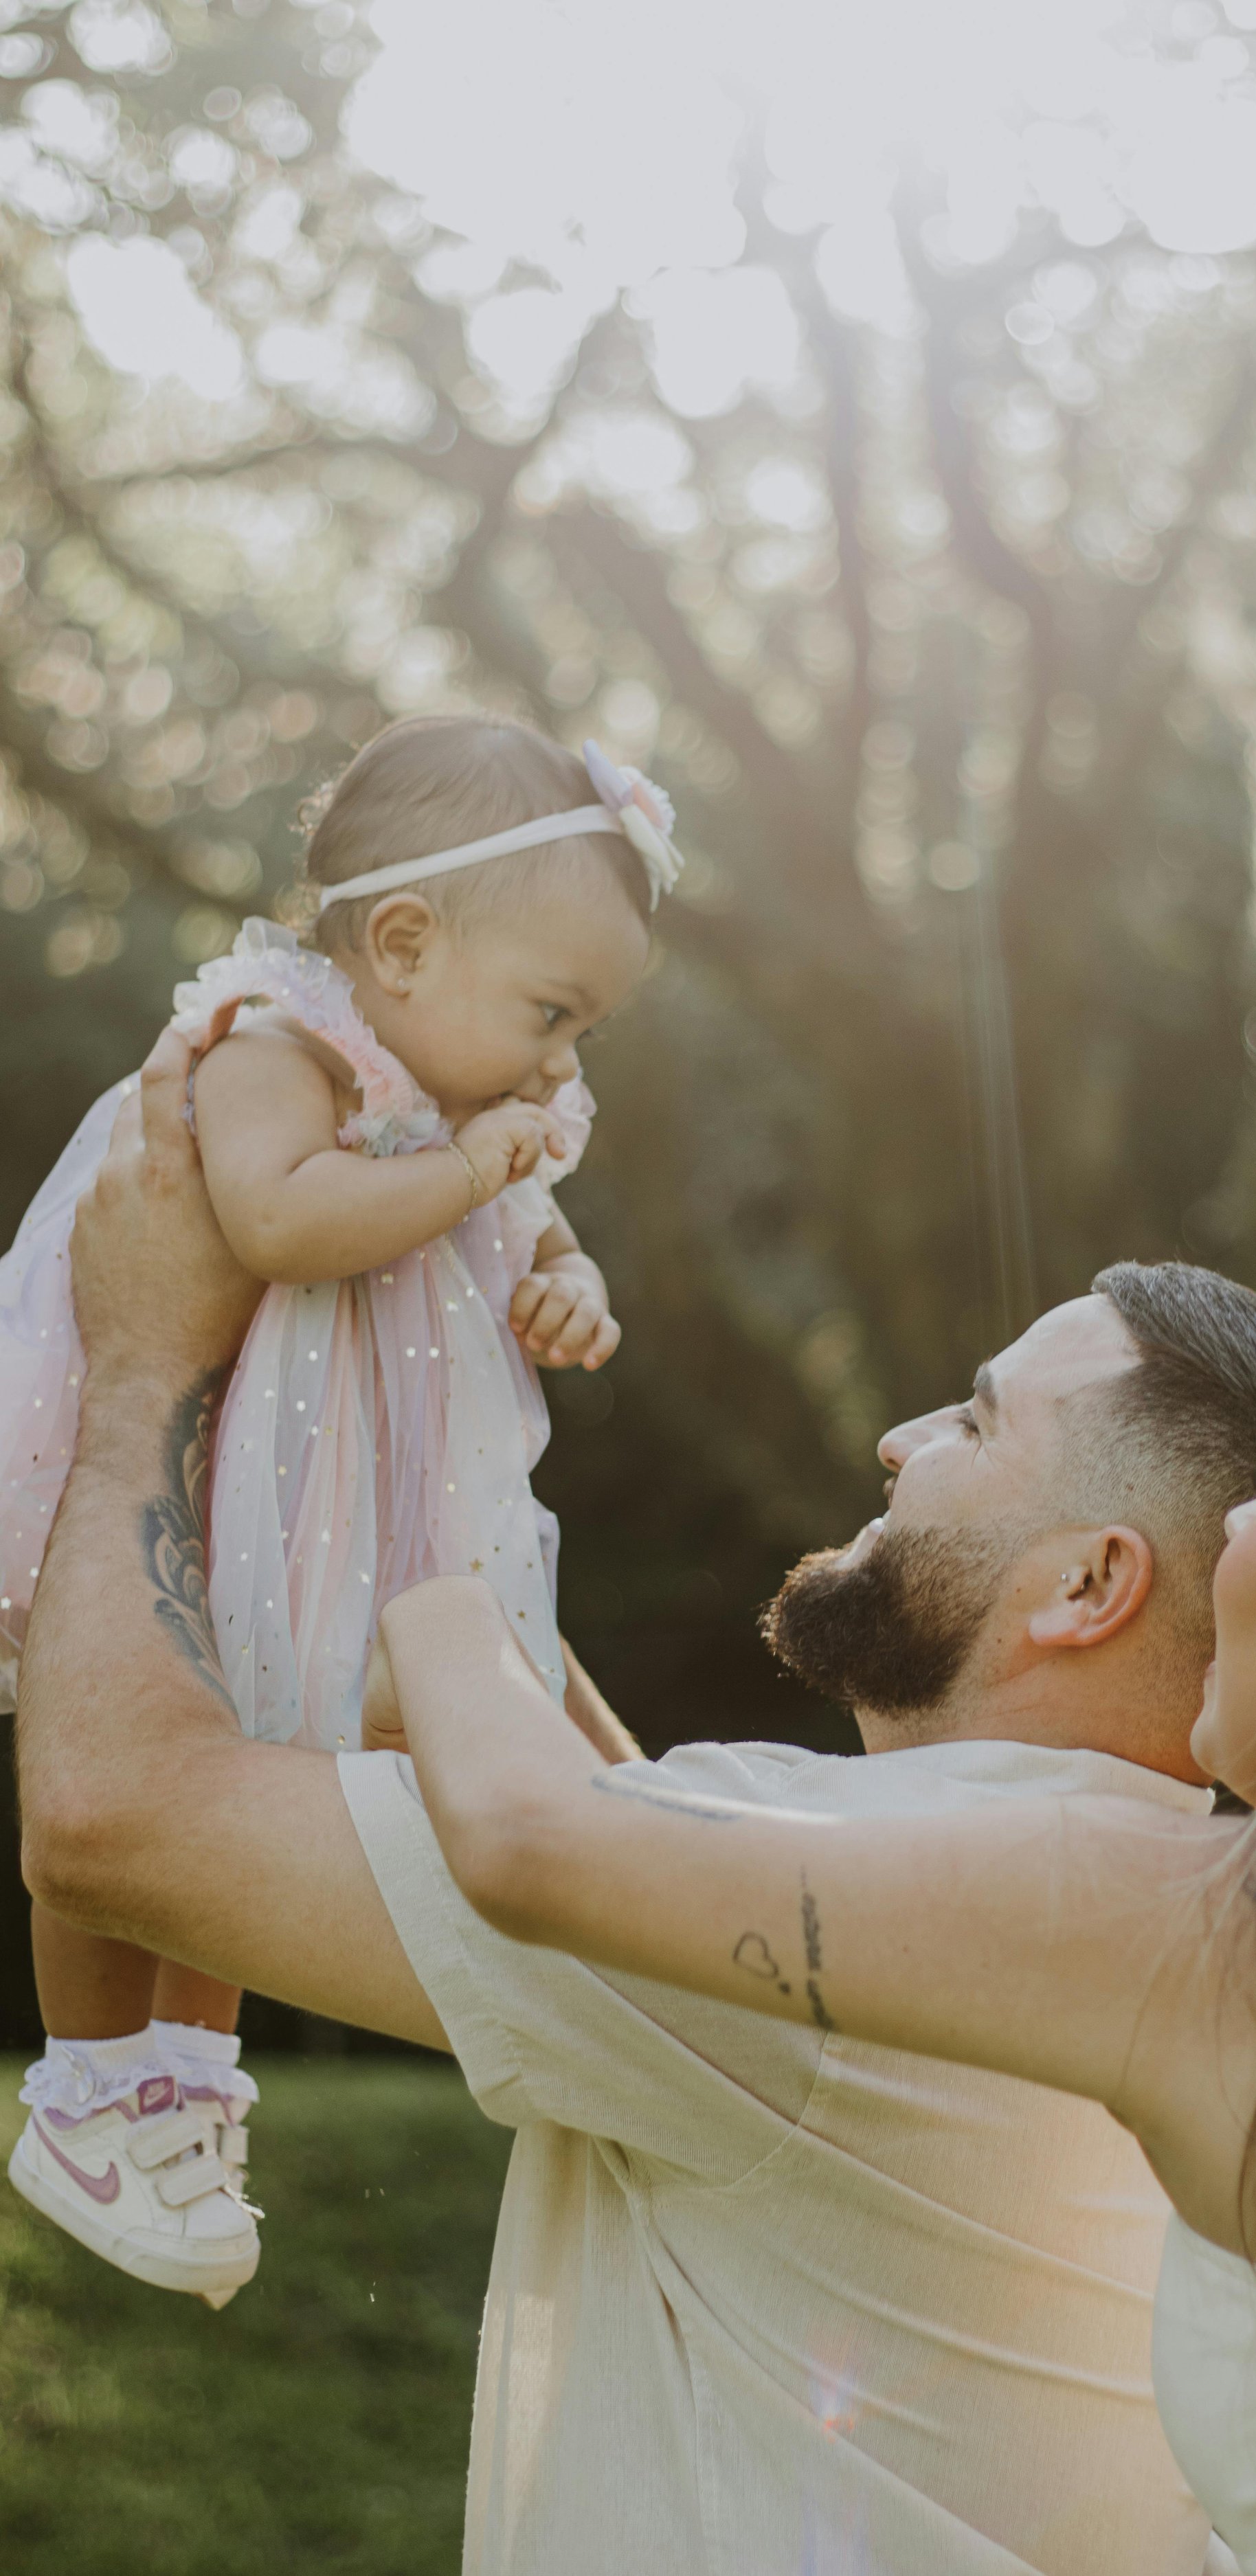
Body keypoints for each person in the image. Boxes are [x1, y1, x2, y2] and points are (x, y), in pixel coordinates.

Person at [15, 1036, 1256, 2576]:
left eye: (975, 1425)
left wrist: (143, 1368)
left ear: (1090, 1583)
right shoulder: (1147, 1892)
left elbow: (109, 1817)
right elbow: (653, 1888)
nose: (898, 1441)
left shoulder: (895, 1904)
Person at [361, 1262, 1256, 2576]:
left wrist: (434, 1553)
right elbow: (671, 1849)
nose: (1226, 1536)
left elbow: (535, 1842)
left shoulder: (1200, 1930)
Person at [1, 715, 669, 2303]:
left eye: (583, 1031)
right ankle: (95, 2084)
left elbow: (532, 1227)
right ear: (405, 942)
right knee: (143, 1732)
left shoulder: (470, 1088)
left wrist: (566, 1278)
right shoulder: (271, 1047)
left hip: (336, 1498)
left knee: (270, 1753)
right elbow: (281, 1220)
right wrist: (470, 1171)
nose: (563, 1064)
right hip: (215, 1455)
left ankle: (188, 2081)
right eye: (551, 1012)